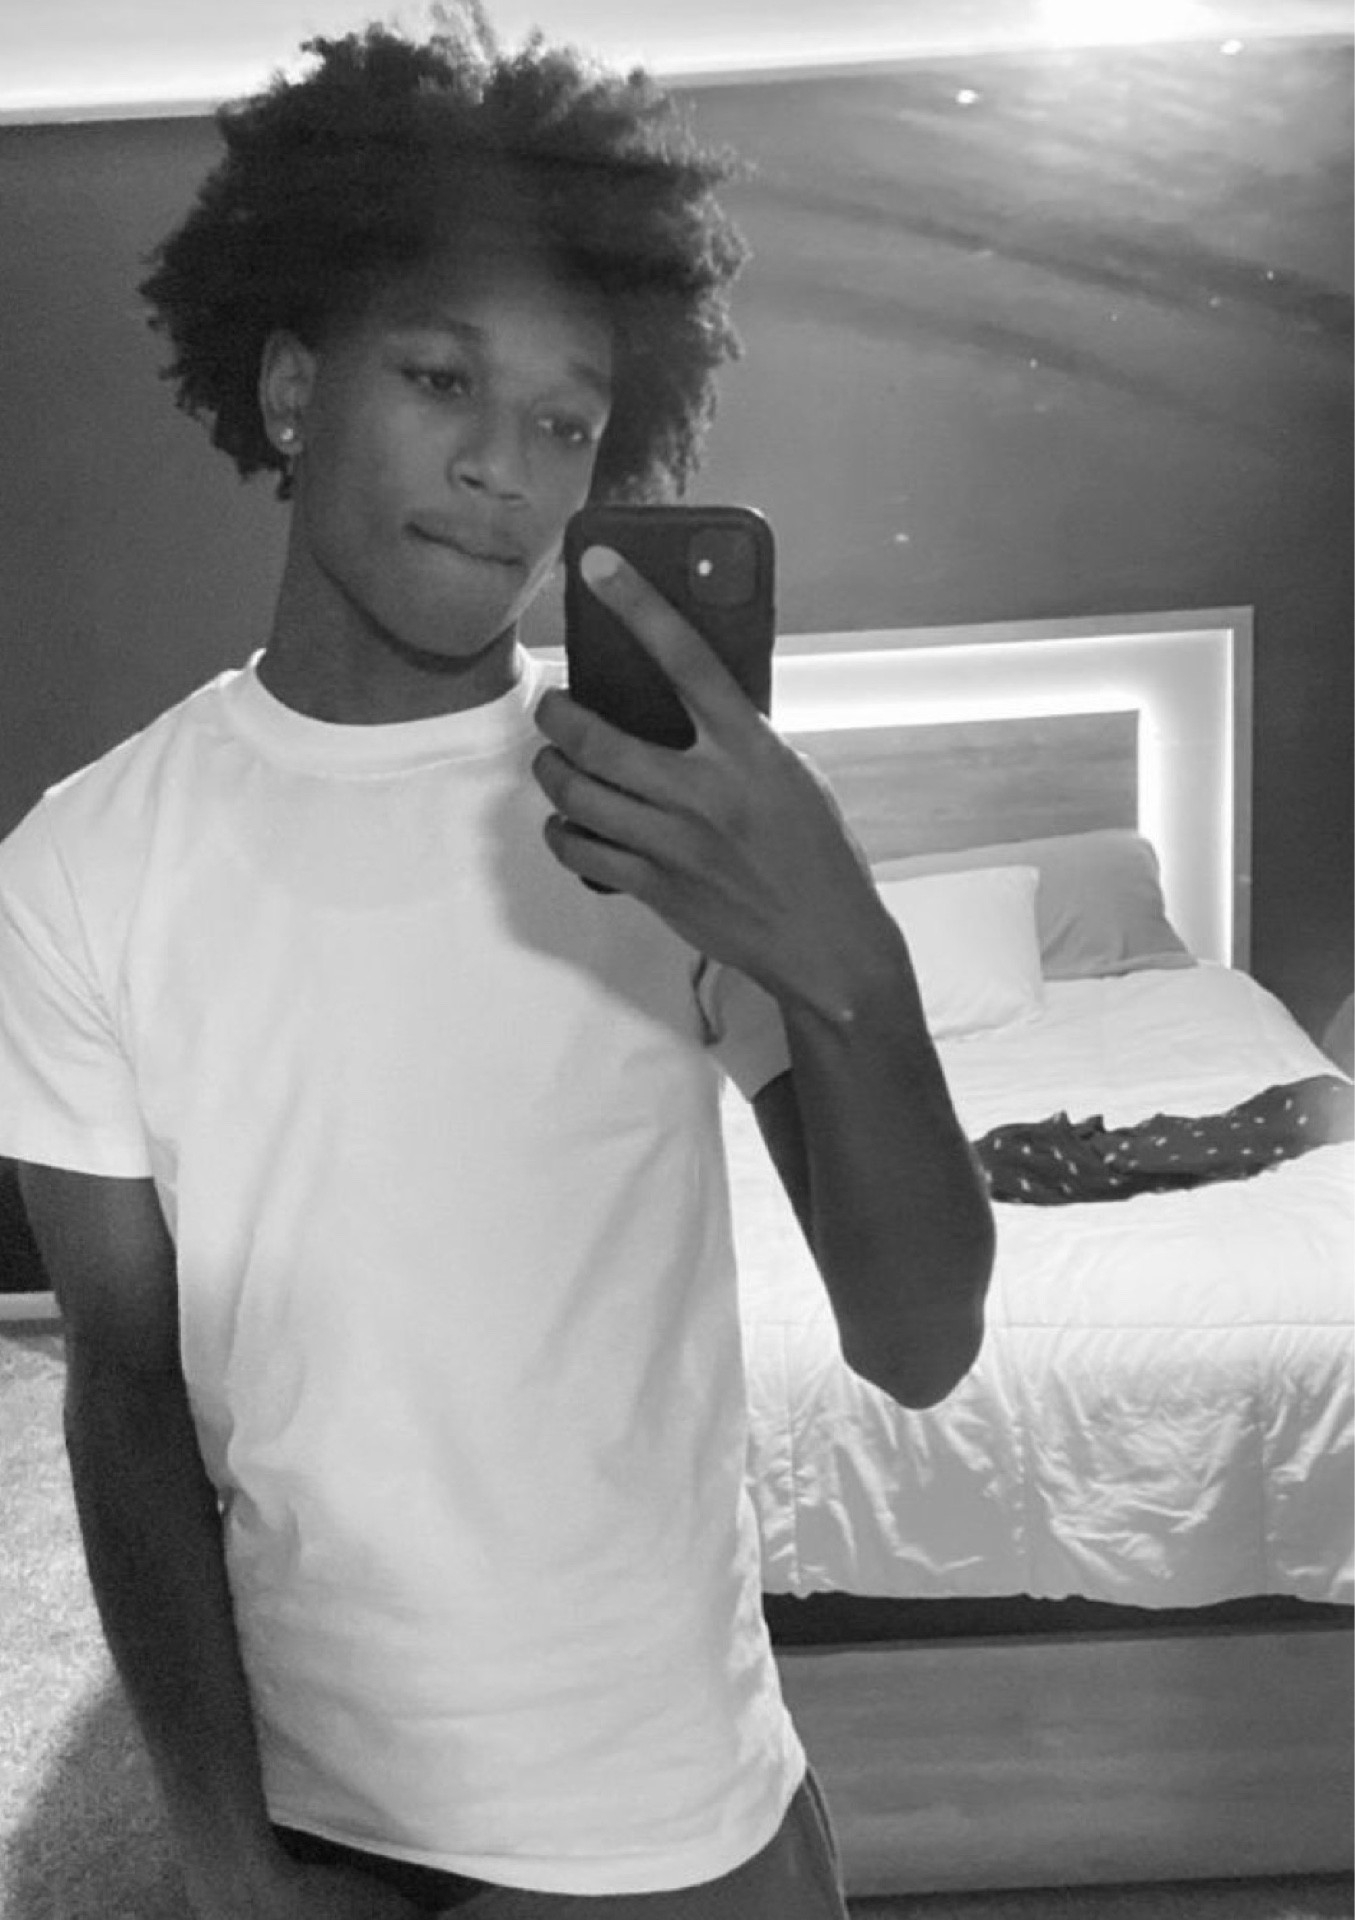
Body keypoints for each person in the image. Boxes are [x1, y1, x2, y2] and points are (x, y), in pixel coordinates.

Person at [0, 11, 994, 1917]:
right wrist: (222, 1862)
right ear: (294, 387)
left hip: (681, 1819)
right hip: (321, 1817)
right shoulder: (81, 867)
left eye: (565, 422)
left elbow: (921, 1338)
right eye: (441, 377)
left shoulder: (664, 816)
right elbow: (122, 1397)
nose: (503, 471)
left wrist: (845, 950)